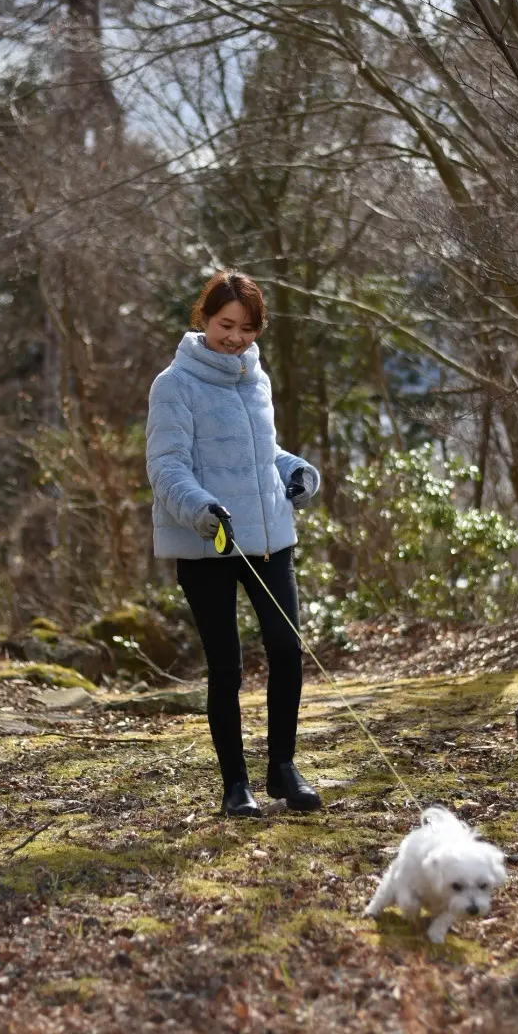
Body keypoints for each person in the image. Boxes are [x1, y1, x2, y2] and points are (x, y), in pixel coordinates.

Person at [146, 270, 323, 817]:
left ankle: (284, 769)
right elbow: (166, 466)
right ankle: (235, 785)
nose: (237, 338)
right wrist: (201, 509)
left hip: (270, 537)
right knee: (226, 666)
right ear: (204, 319)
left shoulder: (257, 377)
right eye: (227, 325)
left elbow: (264, 455)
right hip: (209, 546)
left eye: (248, 328)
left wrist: (298, 472)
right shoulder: (173, 384)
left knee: (287, 652)